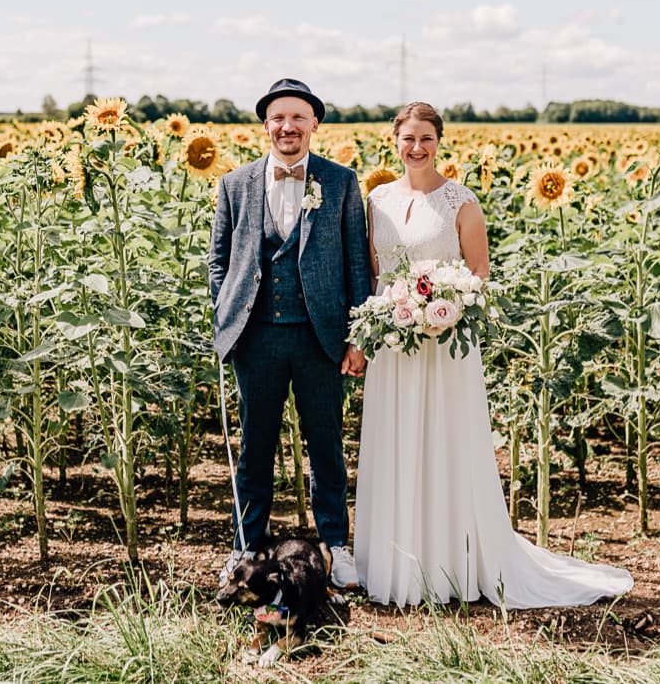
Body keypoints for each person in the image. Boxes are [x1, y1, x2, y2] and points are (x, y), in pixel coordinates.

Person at [354, 102, 633, 607]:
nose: (416, 148)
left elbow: (478, 276)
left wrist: (439, 306)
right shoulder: (375, 200)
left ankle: (448, 565)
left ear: (440, 143)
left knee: (445, 442)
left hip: (445, 346)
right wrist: (389, 316)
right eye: (408, 138)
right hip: (394, 345)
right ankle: (396, 563)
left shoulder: (461, 201)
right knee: (395, 439)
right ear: (393, 141)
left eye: (426, 139)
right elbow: (374, 274)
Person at [209, 78, 372, 589]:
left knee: (325, 446)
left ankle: (336, 547)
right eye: (279, 118)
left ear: (314, 125)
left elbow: (356, 267)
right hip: (255, 339)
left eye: (298, 118)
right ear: (265, 125)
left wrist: (357, 336)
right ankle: (246, 547)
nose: (288, 127)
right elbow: (219, 262)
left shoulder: (341, 182)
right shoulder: (235, 184)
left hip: (319, 339)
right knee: (254, 448)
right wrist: (228, 314)